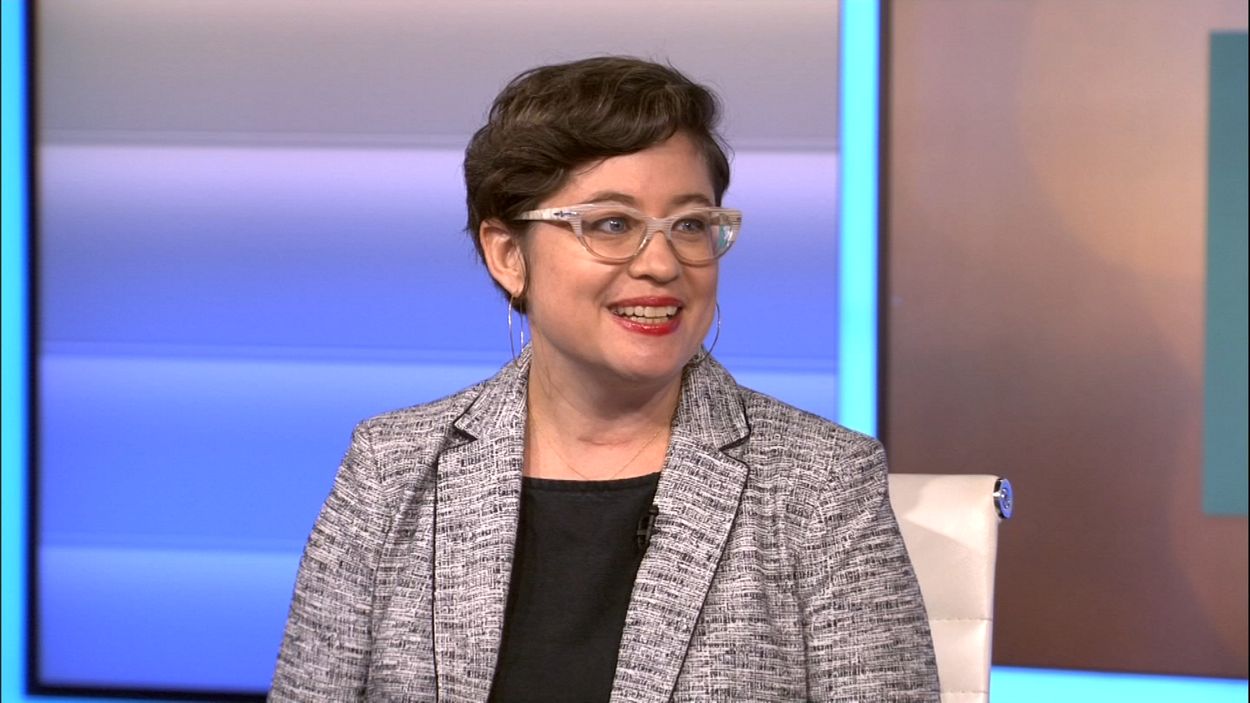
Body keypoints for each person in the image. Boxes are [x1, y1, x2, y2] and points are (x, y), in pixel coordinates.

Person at [270, 56, 939, 702]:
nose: (662, 264)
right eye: (612, 224)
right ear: (507, 254)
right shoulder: (391, 469)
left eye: (690, 225)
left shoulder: (822, 483)